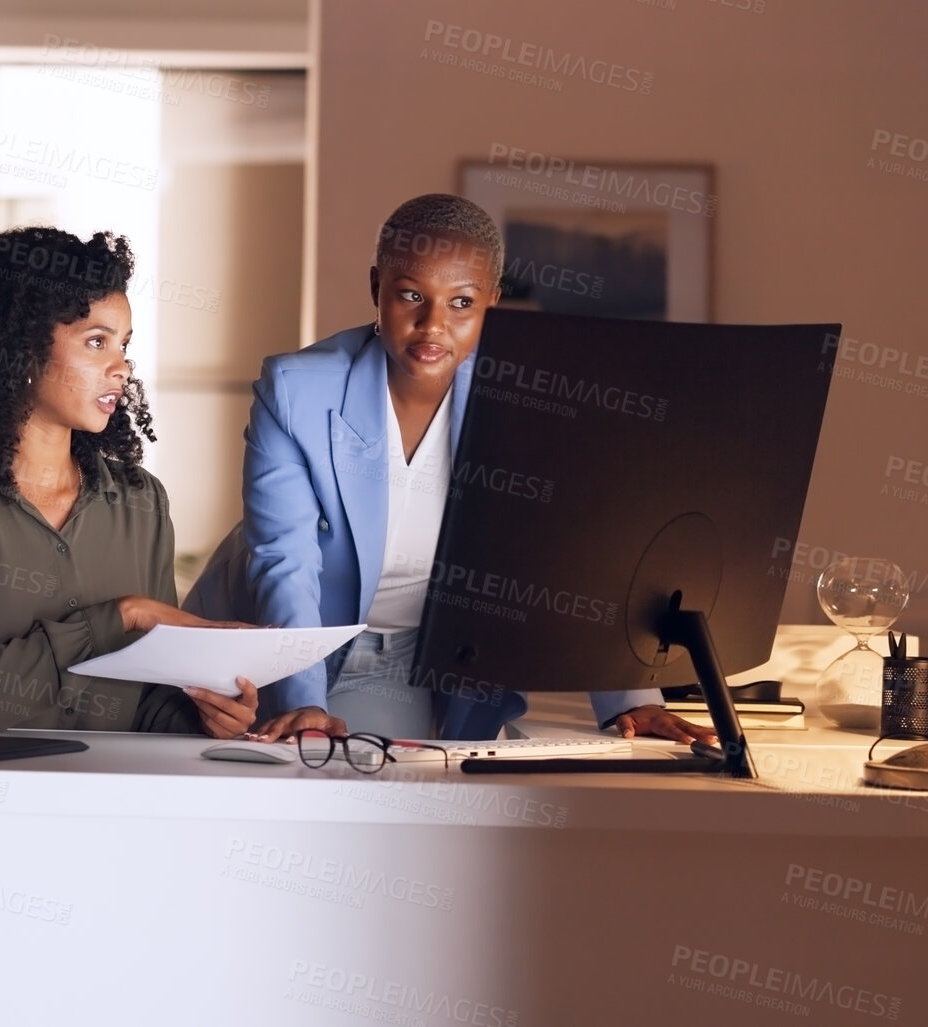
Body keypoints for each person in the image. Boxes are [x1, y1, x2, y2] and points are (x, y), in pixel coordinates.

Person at [186, 194, 715, 745]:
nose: (432, 324)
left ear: (492, 302)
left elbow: (580, 548)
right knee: (318, 782)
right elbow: (286, 562)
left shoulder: (532, 402)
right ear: (376, 289)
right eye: (411, 295)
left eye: (461, 303)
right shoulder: (297, 390)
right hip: (276, 644)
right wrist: (304, 703)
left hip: (421, 653)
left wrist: (630, 701)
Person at [0, 226, 257, 737]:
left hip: (108, 793)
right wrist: (122, 616)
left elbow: (145, 701)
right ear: (18, 351)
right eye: (96, 341)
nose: (120, 366)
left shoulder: (139, 500)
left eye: (123, 345)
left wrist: (208, 717)